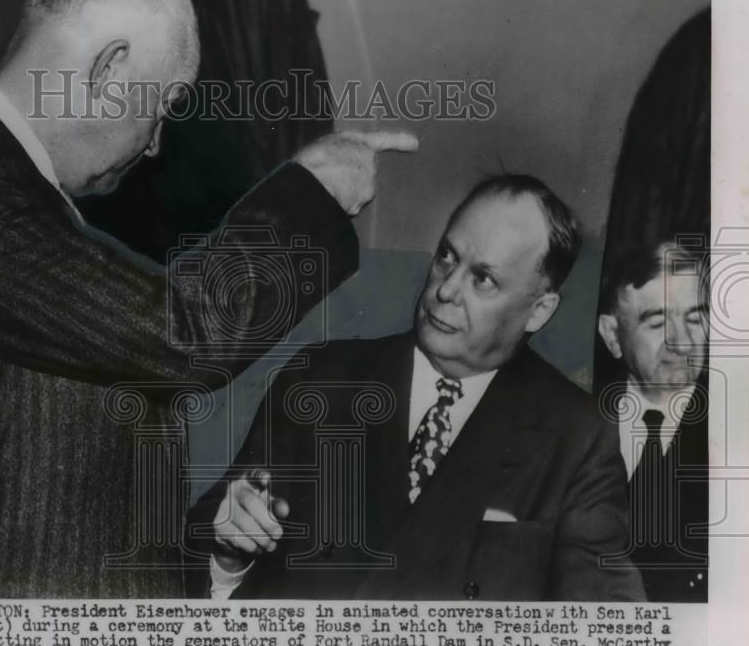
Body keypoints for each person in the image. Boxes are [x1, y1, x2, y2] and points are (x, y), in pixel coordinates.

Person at [0, 0, 417, 597]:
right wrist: (312, 191)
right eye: (166, 106)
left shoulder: (13, 201)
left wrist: (211, 557)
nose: (154, 146)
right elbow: (188, 332)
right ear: (110, 68)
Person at [188, 174, 646, 601]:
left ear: (539, 311)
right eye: (447, 256)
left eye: (482, 278)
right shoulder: (321, 377)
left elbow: (607, 631)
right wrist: (228, 555)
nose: (446, 289)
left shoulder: (578, 438)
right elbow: (194, 557)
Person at [596, 241, 709, 602]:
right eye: (658, 322)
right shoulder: (570, 427)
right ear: (612, 336)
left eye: (695, 318)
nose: (682, 342)